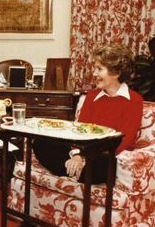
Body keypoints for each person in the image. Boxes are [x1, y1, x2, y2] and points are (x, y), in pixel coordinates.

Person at [33, 44, 143, 184]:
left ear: (116, 73)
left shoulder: (134, 100)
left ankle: (71, 171)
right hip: (83, 150)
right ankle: (76, 171)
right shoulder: (91, 96)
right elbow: (80, 130)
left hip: (106, 155)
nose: (95, 74)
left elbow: (124, 140)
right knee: (41, 143)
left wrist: (87, 157)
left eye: (99, 69)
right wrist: (78, 155)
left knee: (103, 166)